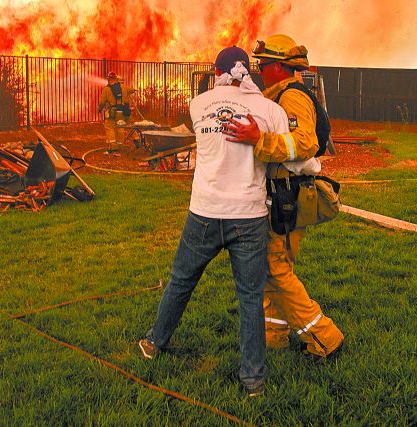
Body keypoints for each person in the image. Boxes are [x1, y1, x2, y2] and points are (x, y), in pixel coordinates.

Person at [138, 46, 290, 397]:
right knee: (250, 296)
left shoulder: (198, 104)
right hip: (249, 215)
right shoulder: (270, 109)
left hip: (204, 212)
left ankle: (154, 342)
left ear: (216, 71)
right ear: (248, 71)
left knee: (181, 281)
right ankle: (253, 381)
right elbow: (285, 153)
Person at [224, 34, 345, 360]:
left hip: (286, 196)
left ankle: (325, 338)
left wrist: (259, 140)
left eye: (264, 64)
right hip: (280, 195)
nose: (260, 70)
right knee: (270, 270)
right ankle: (273, 335)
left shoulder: (291, 97)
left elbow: (304, 143)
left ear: (279, 66)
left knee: (275, 271)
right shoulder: (278, 95)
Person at [97, 71, 135, 154]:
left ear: (108, 79)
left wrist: (100, 108)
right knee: (120, 127)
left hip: (112, 112)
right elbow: (131, 90)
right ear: (116, 79)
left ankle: (113, 147)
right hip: (121, 112)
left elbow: (102, 102)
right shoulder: (123, 87)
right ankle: (120, 145)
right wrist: (133, 90)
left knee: (110, 127)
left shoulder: (107, 89)